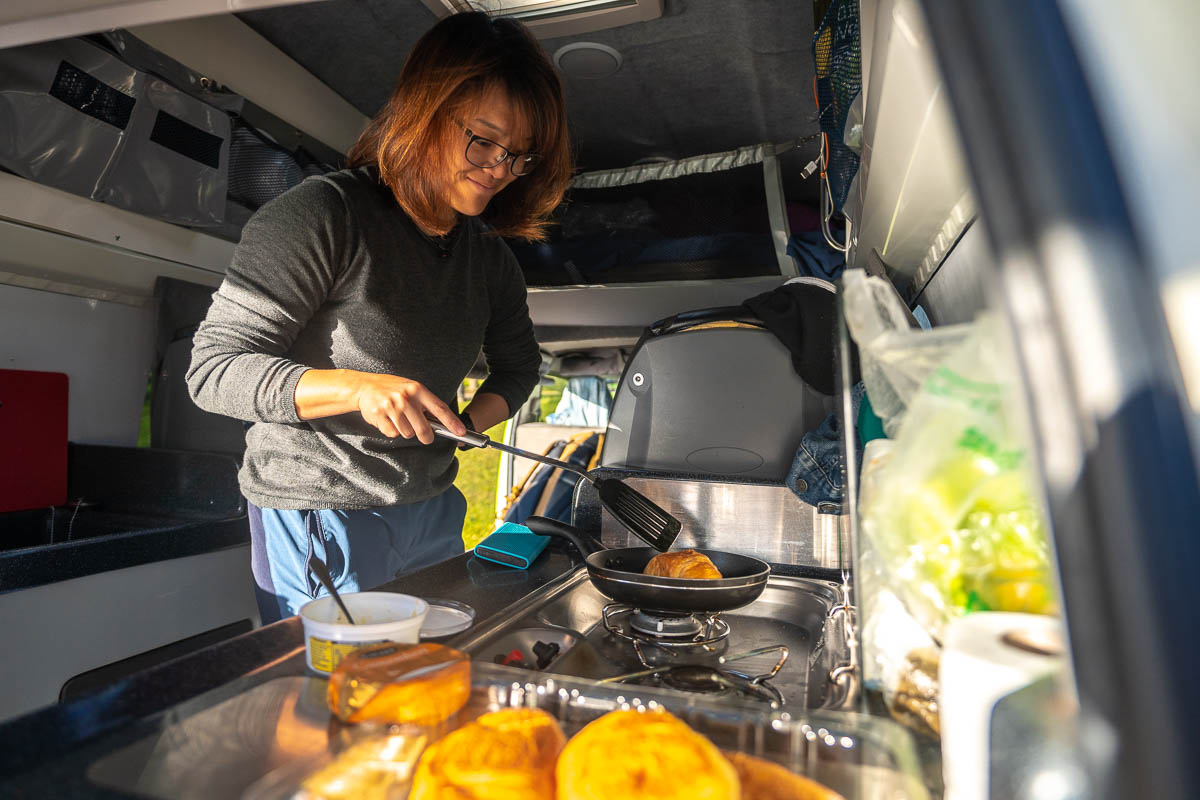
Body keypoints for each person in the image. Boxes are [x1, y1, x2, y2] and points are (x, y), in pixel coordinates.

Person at [187, 11, 572, 623]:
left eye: (519, 156)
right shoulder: (323, 216)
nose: (499, 168)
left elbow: (520, 365)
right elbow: (213, 371)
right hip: (318, 509)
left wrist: (469, 422)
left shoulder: (489, 260)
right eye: (484, 140)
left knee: (429, 677)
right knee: (347, 697)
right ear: (426, 111)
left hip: (433, 506)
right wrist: (358, 389)